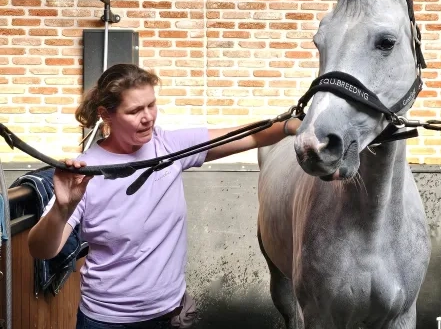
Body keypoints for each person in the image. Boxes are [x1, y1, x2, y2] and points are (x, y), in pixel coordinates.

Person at [27, 63, 301, 329]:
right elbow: (42, 250)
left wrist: (293, 126)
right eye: (134, 110)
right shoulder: (85, 172)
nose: (148, 117)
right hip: (107, 321)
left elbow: (249, 136)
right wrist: (62, 208)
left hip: (171, 315)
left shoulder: (169, 147)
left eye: (151, 105)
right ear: (106, 114)